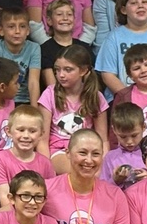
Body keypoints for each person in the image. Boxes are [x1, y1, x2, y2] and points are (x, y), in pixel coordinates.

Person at [39, 45, 109, 174]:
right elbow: (42, 140)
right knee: (77, 172)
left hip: (88, 150)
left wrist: (103, 169)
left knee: (94, 173)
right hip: (59, 150)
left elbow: (103, 139)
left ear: (83, 71)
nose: (61, 75)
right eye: (57, 70)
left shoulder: (96, 97)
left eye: (68, 70)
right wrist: (47, 170)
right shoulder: (49, 94)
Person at [0, 105, 56, 207]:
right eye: (21, 130)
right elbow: (4, 197)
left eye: (32, 131)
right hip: (10, 215)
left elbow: (50, 195)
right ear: (8, 131)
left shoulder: (45, 163)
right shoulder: (0, 159)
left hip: (37, 214)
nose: (26, 136)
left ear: (41, 134)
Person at [0, 7, 40, 105]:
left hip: (24, 101)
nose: (17, 31)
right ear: (1, 30)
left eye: (22, 26)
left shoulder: (34, 48)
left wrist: (34, 109)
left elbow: (33, 82)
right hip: (1, 100)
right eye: (11, 27)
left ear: (28, 30)